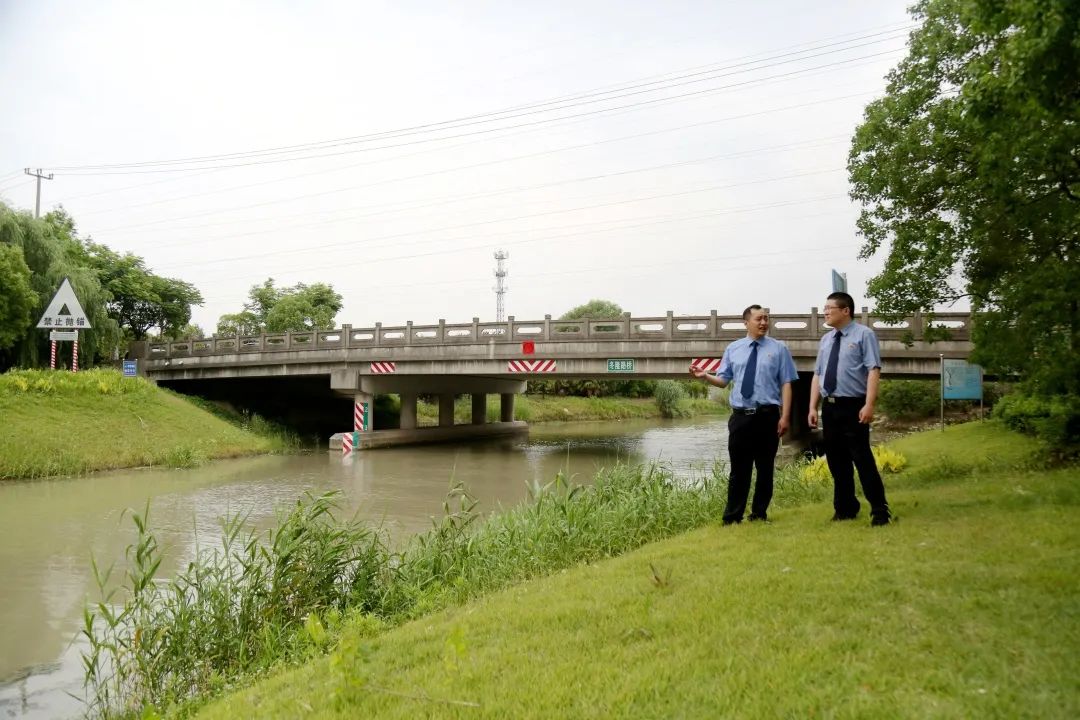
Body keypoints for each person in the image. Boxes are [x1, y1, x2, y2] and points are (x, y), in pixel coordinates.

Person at [691, 304, 798, 525]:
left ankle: (759, 515)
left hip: (767, 416)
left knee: (765, 469)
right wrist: (705, 376)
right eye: (759, 319)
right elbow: (723, 381)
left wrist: (785, 416)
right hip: (740, 418)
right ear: (746, 322)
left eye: (766, 318)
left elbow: (787, 383)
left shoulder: (779, 349)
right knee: (739, 470)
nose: (763, 323)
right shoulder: (733, 349)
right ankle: (732, 517)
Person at [807, 291, 892, 526]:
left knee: (862, 458)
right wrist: (812, 407)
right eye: (824, 308)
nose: (825, 312)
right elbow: (818, 374)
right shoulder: (826, 340)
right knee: (836, 461)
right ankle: (845, 508)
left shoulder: (864, 335)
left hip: (854, 406)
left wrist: (869, 404)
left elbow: (873, 370)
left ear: (845, 311)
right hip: (830, 407)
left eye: (829, 308)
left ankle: (880, 511)